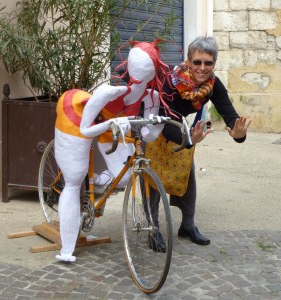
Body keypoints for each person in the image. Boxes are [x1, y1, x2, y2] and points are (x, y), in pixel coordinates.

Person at [54, 41, 171, 262]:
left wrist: (158, 123)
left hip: (111, 125)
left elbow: (149, 135)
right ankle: (66, 250)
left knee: (125, 176)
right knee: (74, 179)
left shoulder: (151, 96)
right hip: (76, 118)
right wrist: (117, 121)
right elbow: (86, 129)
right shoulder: (109, 92)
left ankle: (99, 182)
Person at [153, 36, 251, 246]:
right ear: (188, 61)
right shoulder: (171, 81)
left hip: (180, 129)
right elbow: (166, 120)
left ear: (214, 63)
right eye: (197, 62)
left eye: (208, 63)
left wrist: (239, 133)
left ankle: (187, 226)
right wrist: (187, 138)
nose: (202, 68)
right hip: (155, 124)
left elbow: (230, 116)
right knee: (153, 177)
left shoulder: (213, 84)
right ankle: (151, 228)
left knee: (187, 173)